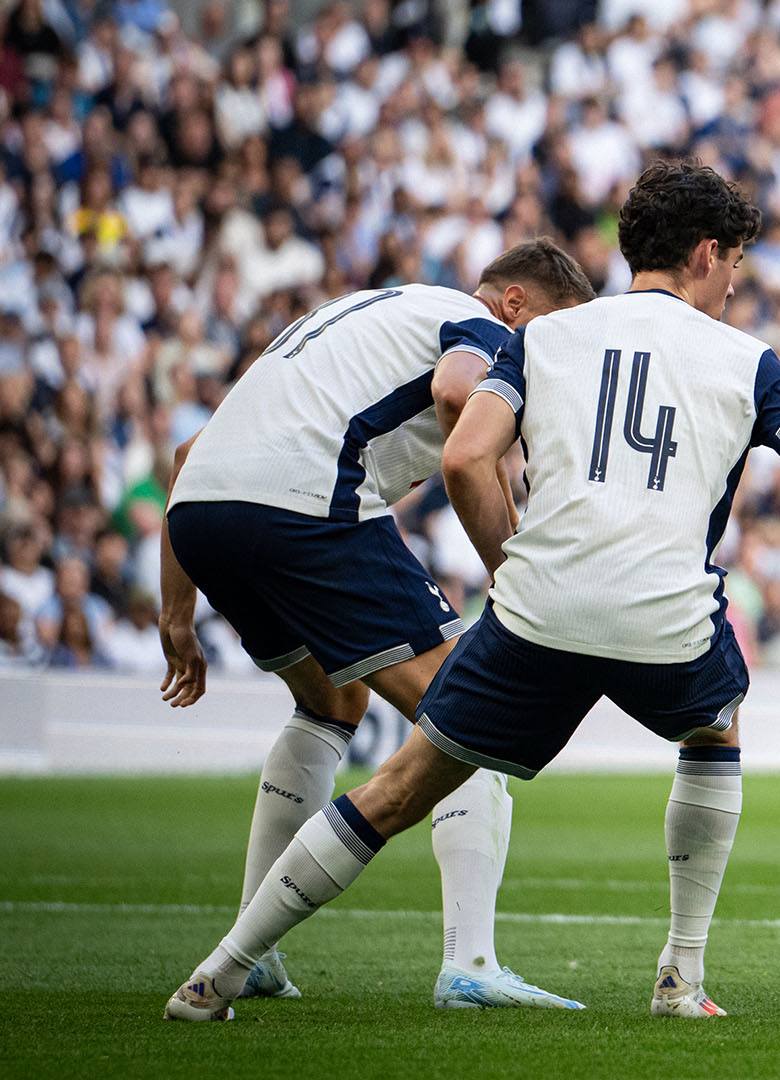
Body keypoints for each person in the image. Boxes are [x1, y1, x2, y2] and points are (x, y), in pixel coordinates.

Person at [164, 161, 780, 1023]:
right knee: (716, 723)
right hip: (663, 616)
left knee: (402, 785)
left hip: (536, 613)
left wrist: (515, 563)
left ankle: (219, 973)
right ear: (709, 254)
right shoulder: (749, 360)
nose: (736, 286)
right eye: (737, 266)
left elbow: (463, 455)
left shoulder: (544, 338)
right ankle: (679, 978)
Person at [160, 238, 598, 1009]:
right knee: (475, 711)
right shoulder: (480, 326)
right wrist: (514, 566)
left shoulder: (372, 313)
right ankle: (472, 963)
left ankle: (255, 956)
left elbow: (189, 453)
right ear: (517, 305)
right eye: (555, 335)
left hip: (203, 515)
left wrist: (175, 612)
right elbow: (460, 397)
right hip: (303, 505)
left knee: (332, 703)